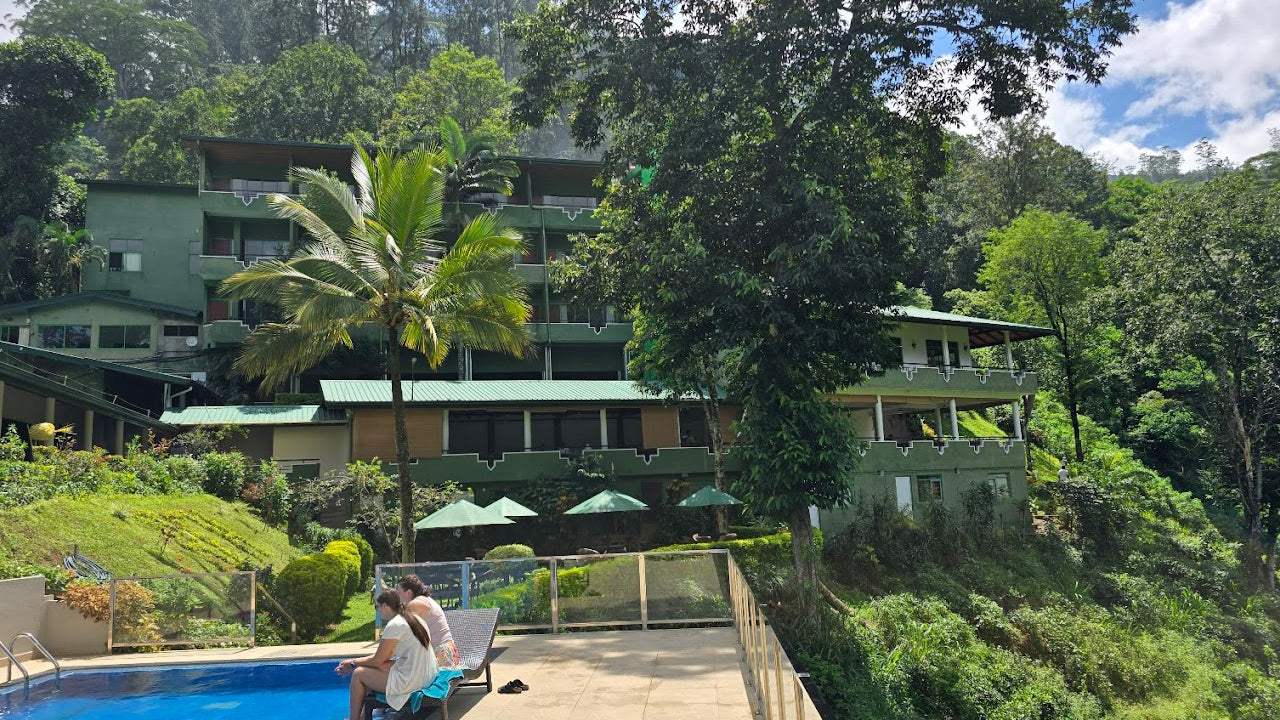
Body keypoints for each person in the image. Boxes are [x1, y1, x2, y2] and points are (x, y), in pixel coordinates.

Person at [336, 590, 437, 720]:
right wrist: (357, 662)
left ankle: (354, 719)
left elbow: (377, 660)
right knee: (372, 668)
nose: (378, 611)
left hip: (415, 680)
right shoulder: (414, 618)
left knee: (359, 674)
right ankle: (362, 717)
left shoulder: (395, 625)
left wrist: (352, 663)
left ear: (384, 605)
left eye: (376, 607)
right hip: (427, 674)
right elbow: (384, 657)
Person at [397, 575, 462, 669]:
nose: (398, 597)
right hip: (446, 653)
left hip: (439, 655)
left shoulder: (415, 604)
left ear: (408, 593)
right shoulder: (425, 600)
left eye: (399, 592)